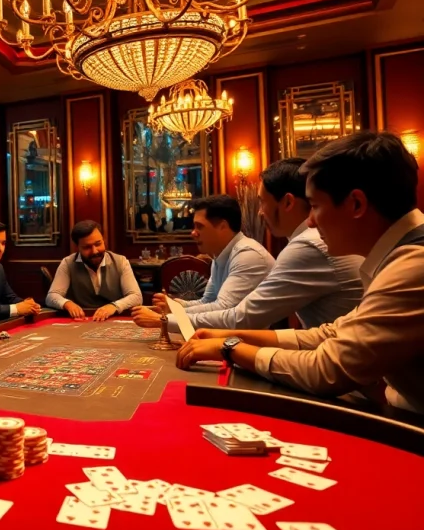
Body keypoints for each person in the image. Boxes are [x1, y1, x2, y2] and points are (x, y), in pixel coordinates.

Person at [177, 131, 424, 414]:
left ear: (356, 204)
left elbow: (326, 369)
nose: (310, 221)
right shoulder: (402, 254)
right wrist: (232, 336)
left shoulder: (414, 264)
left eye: (316, 206)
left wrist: (230, 347)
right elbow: (330, 333)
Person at [133, 159, 362, 331]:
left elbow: (240, 317)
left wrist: (167, 319)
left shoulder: (303, 245)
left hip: (357, 381)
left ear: (288, 202)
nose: (260, 212)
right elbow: (211, 303)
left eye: (262, 202)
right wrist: (174, 309)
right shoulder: (305, 241)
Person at [134, 195, 274, 326]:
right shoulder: (220, 255)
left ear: (222, 227)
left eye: (199, 226)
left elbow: (224, 309)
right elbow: (207, 301)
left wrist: (165, 319)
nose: (193, 233)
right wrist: (174, 305)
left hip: (264, 342)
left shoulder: (247, 254)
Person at [46, 220, 143, 321]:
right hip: (81, 321)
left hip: (113, 319)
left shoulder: (121, 262)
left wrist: (113, 306)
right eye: (87, 247)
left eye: (98, 244)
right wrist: (67, 304)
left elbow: (136, 297)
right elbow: (51, 296)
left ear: (103, 240)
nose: (95, 251)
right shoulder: (67, 263)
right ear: (77, 247)